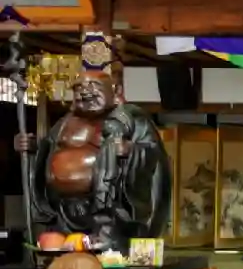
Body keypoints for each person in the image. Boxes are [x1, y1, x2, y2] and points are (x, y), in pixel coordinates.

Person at [14, 68, 171, 251]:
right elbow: (46, 152)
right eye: (79, 87)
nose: (85, 91)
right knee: (63, 256)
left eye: (93, 86)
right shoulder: (64, 123)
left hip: (110, 212)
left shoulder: (130, 119)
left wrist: (130, 150)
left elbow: (153, 155)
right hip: (64, 211)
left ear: (115, 91)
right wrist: (31, 148)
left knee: (109, 254)